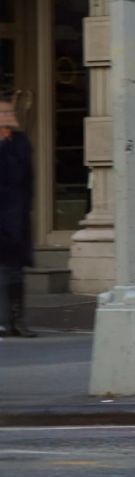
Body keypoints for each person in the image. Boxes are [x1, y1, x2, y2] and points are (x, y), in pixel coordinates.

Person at [0, 90, 36, 338]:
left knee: (14, 270)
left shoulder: (20, 142)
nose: (10, 116)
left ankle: (17, 320)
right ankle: (4, 320)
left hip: (15, 216)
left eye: (10, 112)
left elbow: (27, 179)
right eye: (4, 112)